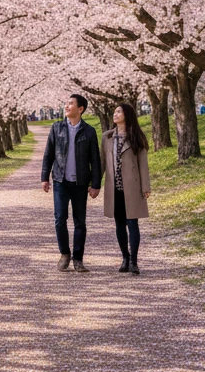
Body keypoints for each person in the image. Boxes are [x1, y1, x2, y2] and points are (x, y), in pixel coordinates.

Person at [41, 93, 102, 272]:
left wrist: (96, 184)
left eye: (71, 104)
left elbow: (95, 160)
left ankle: (78, 258)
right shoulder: (56, 128)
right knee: (60, 219)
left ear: (80, 109)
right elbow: (48, 154)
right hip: (60, 181)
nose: (66, 106)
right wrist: (44, 177)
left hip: (80, 183)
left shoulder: (89, 131)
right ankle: (64, 253)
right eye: (66, 104)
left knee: (80, 222)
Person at [102, 103, 151, 275]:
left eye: (119, 111)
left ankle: (134, 261)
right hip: (114, 188)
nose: (115, 114)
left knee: (133, 224)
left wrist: (146, 186)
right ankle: (125, 257)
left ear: (127, 115)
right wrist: (94, 185)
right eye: (114, 111)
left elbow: (143, 164)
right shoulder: (107, 137)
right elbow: (102, 164)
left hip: (132, 186)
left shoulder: (137, 137)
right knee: (119, 224)